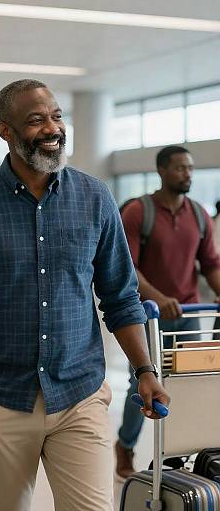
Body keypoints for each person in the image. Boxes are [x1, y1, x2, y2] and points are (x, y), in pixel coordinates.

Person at [0, 78, 169, 511]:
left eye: (57, 116)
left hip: (79, 393)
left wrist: (144, 370)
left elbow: (120, 295)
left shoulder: (95, 198)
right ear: (6, 131)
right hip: (1, 396)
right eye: (36, 120)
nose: (52, 128)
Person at [116, 145, 220, 478]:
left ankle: (177, 454)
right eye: (180, 168)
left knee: (188, 384)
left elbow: (211, 264)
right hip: (149, 315)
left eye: (190, 168)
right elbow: (126, 267)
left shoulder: (199, 215)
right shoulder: (137, 212)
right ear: (162, 170)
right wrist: (158, 297)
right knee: (144, 382)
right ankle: (125, 445)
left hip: (189, 313)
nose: (187, 174)